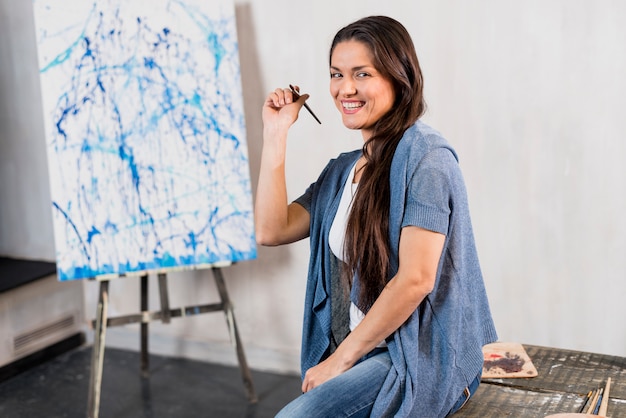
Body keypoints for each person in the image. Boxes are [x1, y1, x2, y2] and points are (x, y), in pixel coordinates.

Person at [255, 15, 497, 417]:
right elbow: (270, 229)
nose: (345, 88)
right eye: (336, 74)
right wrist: (276, 133)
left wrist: (340, 360)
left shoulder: (428, 159)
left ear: (398, 77)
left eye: (362, 74)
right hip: (366, 346)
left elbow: (416, 279)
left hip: (413, 352)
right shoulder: (343, 171)